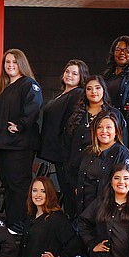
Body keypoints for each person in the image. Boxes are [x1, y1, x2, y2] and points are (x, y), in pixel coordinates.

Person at [0, 49, 43, 233]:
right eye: (7, 62)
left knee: (19, 185)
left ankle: (20, 224)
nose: (10, 65)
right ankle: (12, 222)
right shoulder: (3, 89)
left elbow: (34, 108)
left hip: (20, 145)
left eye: (14, 61)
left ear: (22, 64)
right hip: (3, 145)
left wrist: (20, 125)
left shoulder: (29, 84)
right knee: (9, 185)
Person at [64, 75, 124, 218]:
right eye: (89, 88)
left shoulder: (114, 114)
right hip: (78, 171)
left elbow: (121, 145)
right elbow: (67, 144)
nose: (93, 92)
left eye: (97, 88)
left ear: (104, 90)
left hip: (104, 174)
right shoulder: (77, 115)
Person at [39, 60, 89, 211]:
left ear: (82, 77)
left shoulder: (78, 93)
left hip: (65, 153)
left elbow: (72, 124)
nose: (69, 75)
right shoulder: (62, 94)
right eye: (67, 72)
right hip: (57, 152)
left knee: (70, 194)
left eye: (75, 73)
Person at [75, 112, 129, 216]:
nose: (104, 131)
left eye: (109, 127)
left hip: (107, 213)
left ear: (116, 131)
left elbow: (125, 186)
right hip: (84, 210)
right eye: (100, 127)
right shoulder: (88, 152)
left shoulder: (122, 153)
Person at [101, 36, 129, 113]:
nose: (122, 53)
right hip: (110, 117)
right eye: (118, 50)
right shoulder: (107, 74)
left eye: (127, 50)